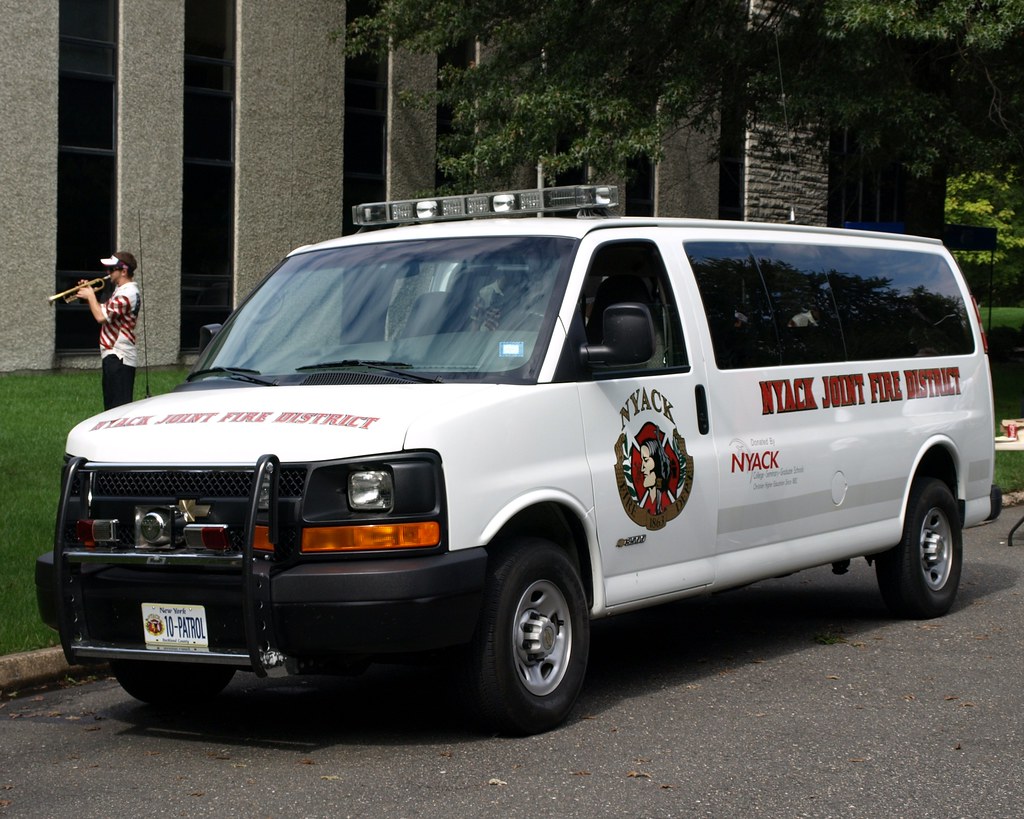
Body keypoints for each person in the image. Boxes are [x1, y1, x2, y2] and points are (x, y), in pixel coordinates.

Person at [77, 251, 141, 410]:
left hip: (119, 357)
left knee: (117, 410)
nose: (108, 273)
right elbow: (104, 310)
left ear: (124, 271)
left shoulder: (128, 294)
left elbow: (101, 317)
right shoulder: (121, 291)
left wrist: (91, 296)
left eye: (112, 269)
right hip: (114, 356)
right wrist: (88, 295)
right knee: (110, 409)